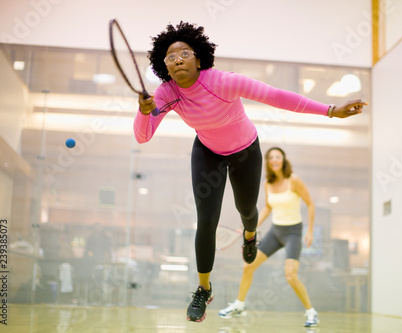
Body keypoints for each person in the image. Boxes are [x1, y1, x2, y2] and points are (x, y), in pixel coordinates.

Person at [134, 21, 367, 322]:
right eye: (170, 57)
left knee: (247, 208)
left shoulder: (224, 81)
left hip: (246, 150)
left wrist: (330, 110)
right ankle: (204, 289)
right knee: (206, 220)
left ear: (199, 58)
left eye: (185, 53)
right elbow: (143, 136)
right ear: (163, 65)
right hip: (207, 152)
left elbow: (277, 96)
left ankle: (250, 234)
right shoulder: (166, 93)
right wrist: (143, 112)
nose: (177, 59)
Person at [218, 147, 319, 327]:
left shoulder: (293, 180)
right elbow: (268, 208)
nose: (274, 160)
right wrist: (251, 226)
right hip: (276, 232)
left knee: (290, 275)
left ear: (283, 159)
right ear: (267, 161)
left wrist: (309, 231)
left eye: (277, 157)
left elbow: (310, 204)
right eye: (271, 157)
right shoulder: (268, 182)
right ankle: (240, 305)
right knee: (247, 267)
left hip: (293, 233)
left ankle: (311, 313)